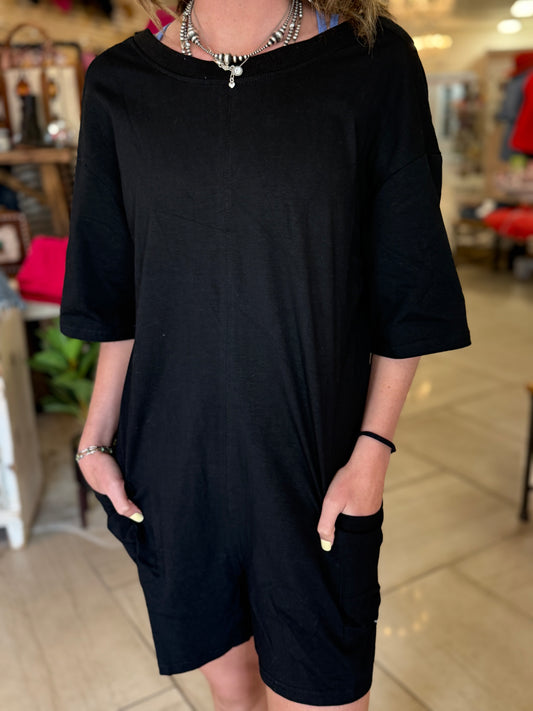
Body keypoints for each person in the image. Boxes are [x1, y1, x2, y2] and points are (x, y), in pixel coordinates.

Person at [60, 1, 471, 709]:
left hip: (313, 463)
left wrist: (373, 449)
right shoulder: (120, 83)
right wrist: (96, 440)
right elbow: (118, 293)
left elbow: (408, 282)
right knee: (232, 689)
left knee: (319, 691)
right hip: (174, 465)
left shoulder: (371, 62)